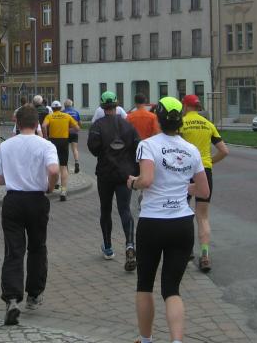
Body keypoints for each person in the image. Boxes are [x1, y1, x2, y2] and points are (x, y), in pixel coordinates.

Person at [126, 97, 209, 343]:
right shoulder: (191, 149)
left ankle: (146, 339)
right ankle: (177, 341)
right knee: (172, 289)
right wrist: (182, 187)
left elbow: (147, 180)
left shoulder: (147, 145)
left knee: (145, 285)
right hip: (182, 223)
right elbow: (203, 191)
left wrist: (132, 183)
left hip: (153, 222)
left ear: (158, 119)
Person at [0, 105, 59, 326]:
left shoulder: (5, 146)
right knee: (37, 247)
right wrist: (50, 186)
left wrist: (14, 176)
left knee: (14, 250)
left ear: (17, 124)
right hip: (37, 200)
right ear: (37, 124)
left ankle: (12, 299)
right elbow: (53, 170)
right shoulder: (46, 145)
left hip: (13, 201)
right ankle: (34, 294)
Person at [87, 91, 141, 270]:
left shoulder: (97, 125)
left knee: (106, 210)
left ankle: (108, 247)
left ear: (102, 106)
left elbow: (93, 149)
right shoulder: (128, 125)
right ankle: (130, 245)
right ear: (117, 105)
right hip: (125, 174)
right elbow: (137, 147)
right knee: (125, 209)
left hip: (105, 174)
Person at [178, 94, 228, 272]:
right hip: (204, 171)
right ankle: (205, 255)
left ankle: (187, 250)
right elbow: (224, 151)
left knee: (182, 212)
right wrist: (209, 162)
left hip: (184, 171)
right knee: (203, 215)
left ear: (185, 106)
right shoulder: (208, 124)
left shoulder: (181, 124)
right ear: (198, 107)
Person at [42, 100, 79, 201]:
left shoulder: (49, 116)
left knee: (51, 164)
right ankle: (63, 191)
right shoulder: (67, 116)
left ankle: (52, 185)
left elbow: (44, 126)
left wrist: (46, 137)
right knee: (63, 166)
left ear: (52, 108)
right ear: (60, 108)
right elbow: (77, 128)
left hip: (52, 141)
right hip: (64, 141)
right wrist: (67, 129)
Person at [63, 99, 82, 174]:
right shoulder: (76, 112)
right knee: (75, 149)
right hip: (74, 132)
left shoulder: (62, 112)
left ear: (64, 105)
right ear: (72, 105)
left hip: (65, 133)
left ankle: (66, 166)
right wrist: (78, 128)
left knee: (65, 149)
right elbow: (79, 123)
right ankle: (76, 163)